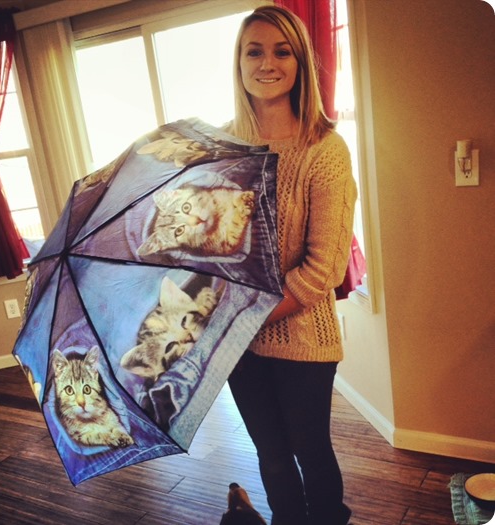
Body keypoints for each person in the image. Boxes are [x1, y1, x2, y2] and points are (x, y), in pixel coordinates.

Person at [226, 6, 356, 525]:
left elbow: (323, 270)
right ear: (239, 63)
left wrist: (246, 318)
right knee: (271, 455)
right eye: (253, 51)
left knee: (310, 452)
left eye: (282, 51)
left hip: (302, 336)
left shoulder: (324, 149)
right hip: (235, 341)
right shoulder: (220, 149)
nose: (267, 63)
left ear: (300, 62)